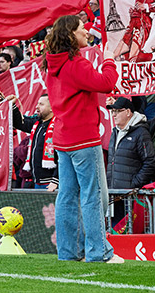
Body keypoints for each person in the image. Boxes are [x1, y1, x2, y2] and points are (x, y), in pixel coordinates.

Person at [43, 14, 122, 263]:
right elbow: (106, 83)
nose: (86, 32)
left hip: (64, 138)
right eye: (81, 29)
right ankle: (99, 252)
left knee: (66, 195)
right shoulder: (76, 64)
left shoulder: (52, 64)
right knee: (93, 194)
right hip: (84, 139)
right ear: (69, 35)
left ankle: (68, 252)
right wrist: (109, 61)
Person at [106, 97, 155, 191]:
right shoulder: (115, 132)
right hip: (113, 193)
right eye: (113, 111)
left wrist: (134, 184)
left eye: (117, 111)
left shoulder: (141, 132)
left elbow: (150, 162)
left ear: (128, 112)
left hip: (130, 195)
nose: (114, 115)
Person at [10, 93, 57, 190]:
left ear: (52, 108)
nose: (37, 107)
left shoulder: (58, 126)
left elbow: (64, 157)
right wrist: (11, 105)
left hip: (52, 184)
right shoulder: (37, 124)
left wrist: (56, 180)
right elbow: (20, 122)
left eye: (41, 104)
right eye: (37, 103)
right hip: (37, 182)